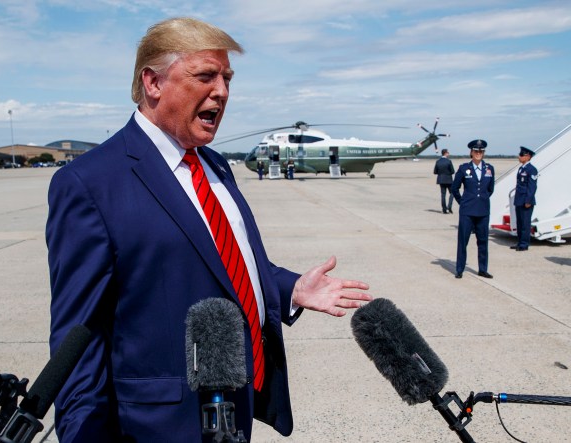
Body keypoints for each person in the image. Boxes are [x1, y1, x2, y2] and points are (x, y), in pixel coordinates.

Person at [45, 17, 371, 443]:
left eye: (227, 78)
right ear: (153, 82)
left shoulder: (214, 164)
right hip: (158, 426)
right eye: (205, 76)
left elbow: (223, 261)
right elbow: (76, 338)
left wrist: (291, 288)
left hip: (232, 407)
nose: (221, 90)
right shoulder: (90, 182)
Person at [451, 139, 495, 279]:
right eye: (476, 151)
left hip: (482, 211)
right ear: (471, 152)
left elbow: (490, 189)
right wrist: (463, 202)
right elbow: (454, 188)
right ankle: (459, 269)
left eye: (481, 151)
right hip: (467, 211)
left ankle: (483, 269)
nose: (478, 153)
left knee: (483, 242)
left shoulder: (489, 168)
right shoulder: (464, 168)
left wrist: (481, 199)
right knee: (463, 241)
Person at [510, 146, 538, 251]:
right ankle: (520, 242)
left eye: (521, 155)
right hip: (519, 200)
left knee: (525, 223)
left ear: (528, 157)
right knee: (520, 223)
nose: (519, 156)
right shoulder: (522, 168)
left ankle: (524, 244)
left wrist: (528, 200)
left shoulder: (532, 169)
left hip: (526, 201)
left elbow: (532, 187)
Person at [433, 148, 455, 214]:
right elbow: (453, 171)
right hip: (448, 179)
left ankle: (444, 209)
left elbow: (435, 172)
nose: (448, 153)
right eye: (448, 152)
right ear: (445, 153)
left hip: (441, 179)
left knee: (443, 194)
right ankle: (449, 206)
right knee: (452, 193)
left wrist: (441, 173)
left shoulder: (438, 161)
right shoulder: (449, 161)